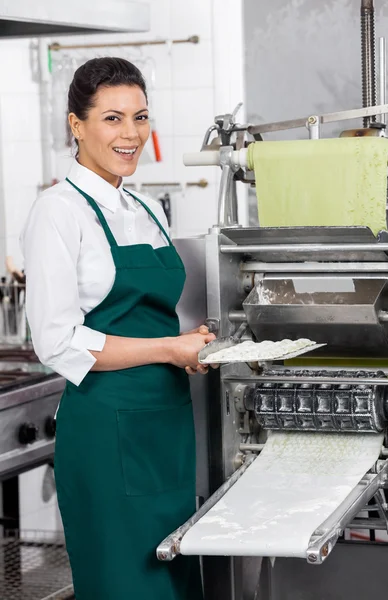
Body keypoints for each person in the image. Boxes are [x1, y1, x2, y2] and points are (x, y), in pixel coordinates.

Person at [21, 57, 215, 600]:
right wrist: (167, 348)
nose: (130, 134)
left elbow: (157, 315)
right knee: (125, 587)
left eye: (140, 117)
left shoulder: (147, 208)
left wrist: (191, 343)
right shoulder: (58, 211)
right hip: (106, 432)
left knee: (175, 580)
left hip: (166, 429)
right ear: (76, 125)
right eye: (112, 118)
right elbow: (56, 340)